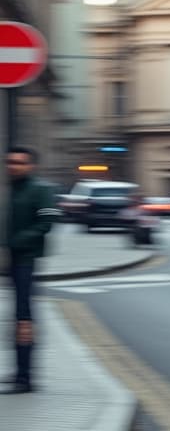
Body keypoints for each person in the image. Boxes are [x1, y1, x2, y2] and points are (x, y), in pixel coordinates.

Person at [2, 146, 57, 394]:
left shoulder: (41, 189)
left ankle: (25, 378)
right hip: (10, 260)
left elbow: (46, 223)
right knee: (16, 317)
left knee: (24, 317)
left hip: (26, 260)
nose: (14, 166)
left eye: (19, 163)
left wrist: (16, 241)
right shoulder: (9, 190)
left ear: (30, 166)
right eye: (11, 162)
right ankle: (18, 372)